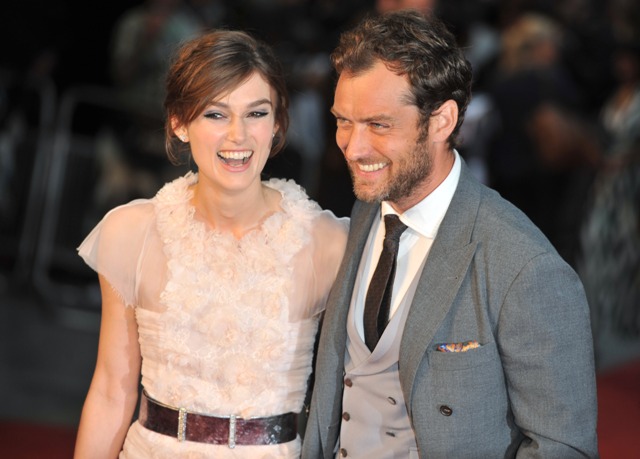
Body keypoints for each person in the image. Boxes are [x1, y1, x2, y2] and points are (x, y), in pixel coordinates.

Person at [302, 10, 598, 459]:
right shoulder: (366, 209)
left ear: (441, 120)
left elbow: (563, 448)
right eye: (344, 121)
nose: (354, 148)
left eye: (378, 125)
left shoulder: (526, 267)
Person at [73, 29, 348, 458]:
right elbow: (111, 390)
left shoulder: (328, 243)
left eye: (256, 113)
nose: (238, 135)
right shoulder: (131, 234)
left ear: (278, 123)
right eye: (216, 114)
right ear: (179, 123)